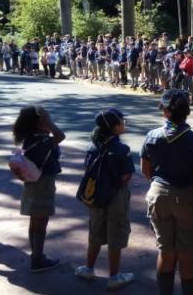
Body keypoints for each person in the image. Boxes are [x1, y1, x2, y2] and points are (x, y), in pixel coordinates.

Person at [141, 89, 193, 295]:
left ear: (165, 112)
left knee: (166, 251)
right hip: (188, 196)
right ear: (187, 112)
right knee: (188, 253)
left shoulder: (152, 136)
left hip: (159, 193)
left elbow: (146, 170)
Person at [75, 109, 135, 290]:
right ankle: (114, 276)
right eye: (122, 122)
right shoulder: (122, 149)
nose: (124, 124)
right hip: (116, 197)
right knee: (115, 234)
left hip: (95, 196)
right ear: (115, 127)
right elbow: (125, 177)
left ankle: (88, 268)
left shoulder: (93, 146)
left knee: (95, 231)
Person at [12, 105, 66, 272]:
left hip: (32, 183)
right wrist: (48, 121)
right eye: (45, 119)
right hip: (42, 184)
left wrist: (45, 120)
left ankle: (36, 255)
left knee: (35, 221)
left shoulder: (31, 139)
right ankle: (38, 259)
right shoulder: (42, 140)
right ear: (38, 123)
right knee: (41, 221)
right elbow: (60, 135)